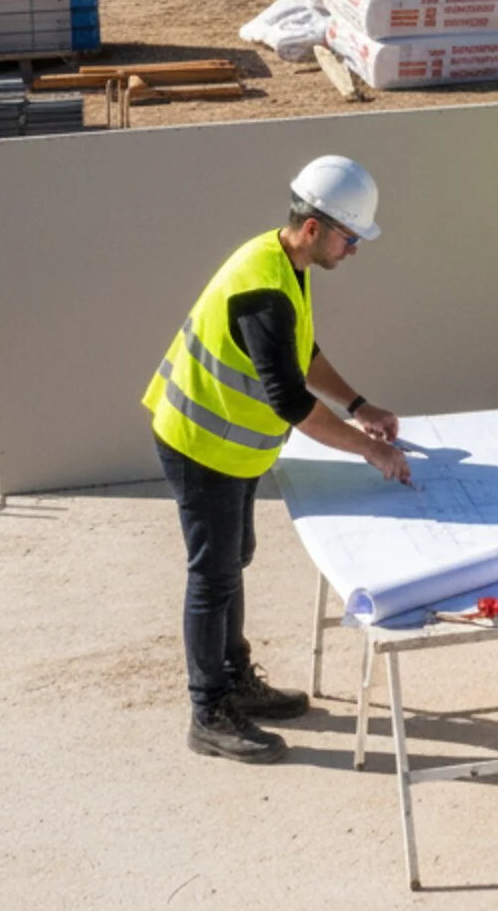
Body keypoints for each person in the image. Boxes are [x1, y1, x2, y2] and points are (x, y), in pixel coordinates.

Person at [143, 154, 412, 766]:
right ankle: (208, 712)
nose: (354, 250)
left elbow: (303, 352)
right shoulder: (264, 284)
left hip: (231, 449)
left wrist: (359, 404)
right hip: (198, 444)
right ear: (314, 228)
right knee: (213, 575)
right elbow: (289, 398)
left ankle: (235, 680)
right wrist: (370, 450)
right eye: (350, 237)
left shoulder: (286, 262)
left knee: (235, 560)